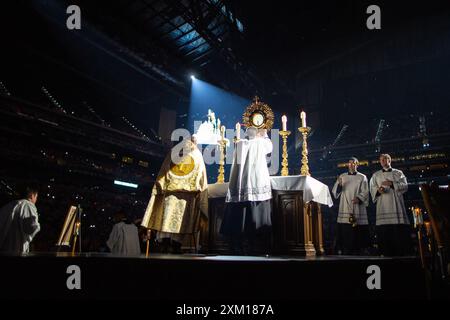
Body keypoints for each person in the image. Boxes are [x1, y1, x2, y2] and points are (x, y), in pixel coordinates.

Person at [221, 127, 273, 255]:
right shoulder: (261, 142)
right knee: (254, 219)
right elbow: (270, 148)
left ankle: (237, 246)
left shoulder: (239, 144)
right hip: (256, 185)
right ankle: (255, 246)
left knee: (239, 220)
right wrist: (265, 135)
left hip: (240, 188)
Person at [369, 154, 412, 256]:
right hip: (382, 208)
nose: (383, 161)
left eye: (385, 159)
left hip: (397, 209)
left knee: (399, 239)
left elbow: (405, 186)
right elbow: (372, 188)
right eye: (381, 160)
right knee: (384, 238)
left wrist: (392, 184)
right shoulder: (376, 175)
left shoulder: (398, 173)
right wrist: (378, 190)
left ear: (390, 160)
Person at [332, 157, 370, 255]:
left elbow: (365, 191)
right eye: (349, 163)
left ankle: (359, 250)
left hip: (357, 205)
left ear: (357, 164)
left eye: (353, 163)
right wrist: (340, 185)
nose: (351, 165)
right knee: (346, 230)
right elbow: (335, 192)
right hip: (345, 206)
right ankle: (345, 250)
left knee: (358, 231)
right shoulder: (342, 176)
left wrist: (359, 198)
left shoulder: (362, 177)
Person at [0, 184, 40, 254]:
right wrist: (38, 227)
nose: (36, 200)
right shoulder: (27, 205)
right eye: (36, 197)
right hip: (16, 252)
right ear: (32, 195)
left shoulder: (7, 206)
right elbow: (31, 228)